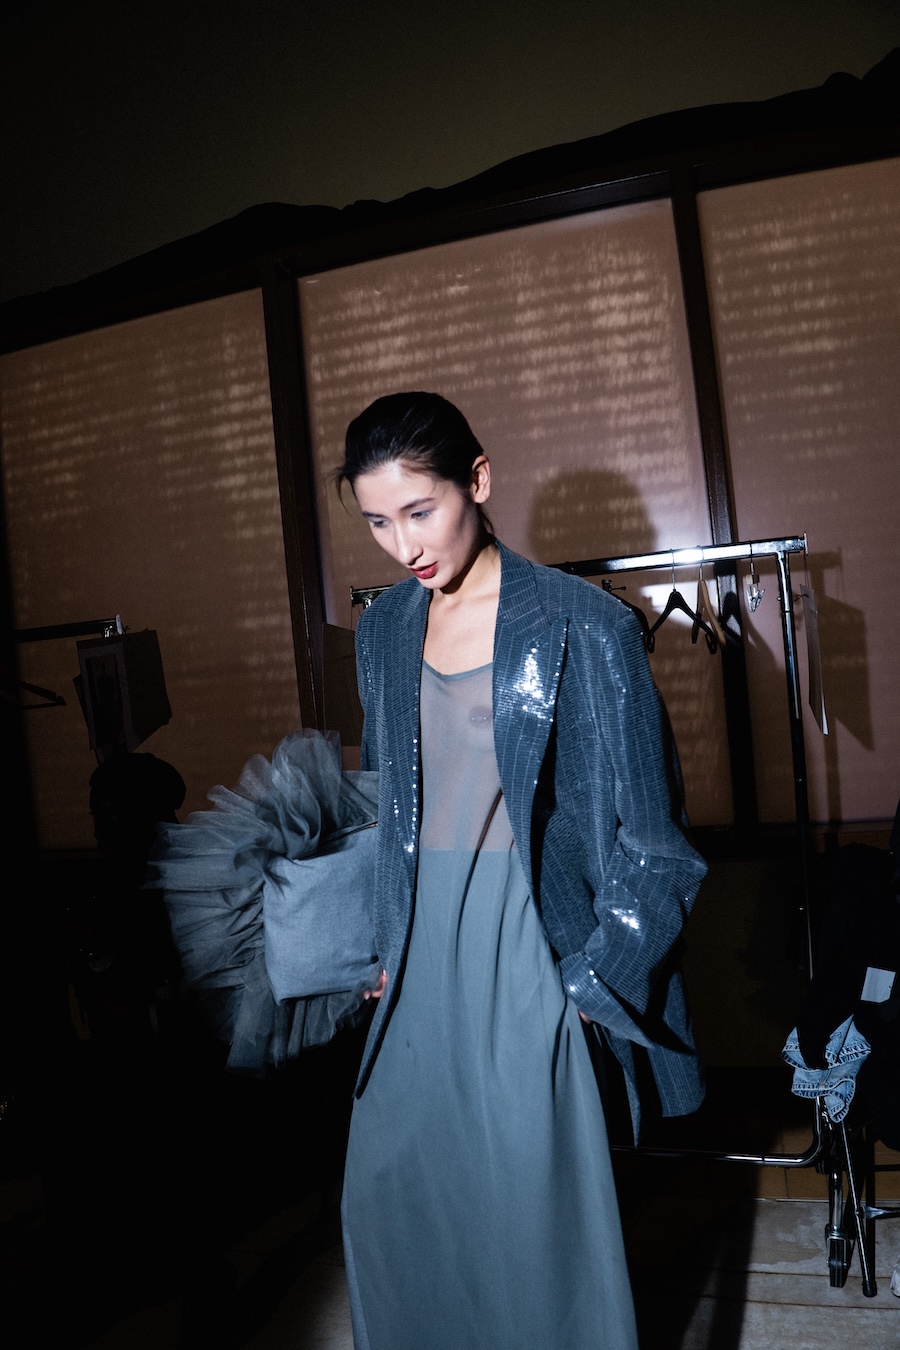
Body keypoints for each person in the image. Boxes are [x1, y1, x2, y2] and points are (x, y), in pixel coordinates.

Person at [337, 391, 707, 1350]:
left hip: (529, 956)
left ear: (479, 479)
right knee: (393, 1207)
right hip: (419, 964)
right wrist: (383, 941)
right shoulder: (383, 630)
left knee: (535, 1235)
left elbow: (658, 847)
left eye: (420, 511)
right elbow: (393, 808)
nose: (403, 545)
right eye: (377, 522)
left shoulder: (585, 625)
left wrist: (591, 985)